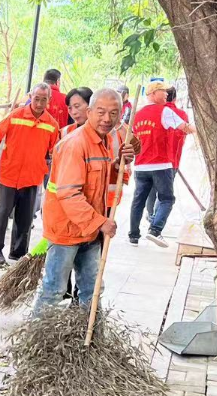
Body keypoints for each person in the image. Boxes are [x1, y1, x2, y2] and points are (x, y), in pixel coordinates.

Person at [32, 88, 137, 315]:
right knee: (54, 290)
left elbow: (96, 179)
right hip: (66, 229)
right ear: (89, 112)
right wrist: (100, 222)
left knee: (92, 289)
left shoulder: (105, 141)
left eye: (113, 113)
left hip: (89, 231)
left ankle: (90, 340)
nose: (107, 119)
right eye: (101, 112)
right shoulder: (75, 144)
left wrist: (118, 164)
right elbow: (69, 193)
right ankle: (36, 342)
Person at [0, 83, 59, 265]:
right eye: (36, 98)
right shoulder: (15, 116)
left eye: (43, 100)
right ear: (30, 96)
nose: (39, 103)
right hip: (10, 174)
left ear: (49, 100)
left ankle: (17, 254)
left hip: (32, 177)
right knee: (1, 214)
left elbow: (55, 151)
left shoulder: (52, 125)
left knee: (24, 220)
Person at [128, 80, 196, 247]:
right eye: (162, 91)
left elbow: (132, 138)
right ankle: (155, 230)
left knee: (139, 200)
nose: (166, 94)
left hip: (141, 165)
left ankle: (133, 236)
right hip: (161, 164)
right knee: (166, 199)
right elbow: (185, 128)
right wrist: (200, 129)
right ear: (152, 94)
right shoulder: (164, 111)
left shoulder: (137, 114)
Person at [144, 85, 189, 218]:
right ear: (174, 98)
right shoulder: (182, 114)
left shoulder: (151, 113)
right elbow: (184, 134)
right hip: (172, 161)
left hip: (150, 159)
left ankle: (150, 214)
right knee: (164, 194)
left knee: (151, 189)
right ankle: (155, 219)